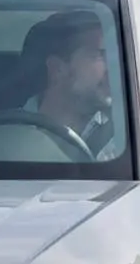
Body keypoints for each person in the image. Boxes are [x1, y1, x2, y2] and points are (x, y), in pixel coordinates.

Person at [20, 9, 119, 160]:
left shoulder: (131, 136)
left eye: (114, 55)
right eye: (99, 55)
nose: (113, 67)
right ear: (57, 69)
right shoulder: (7, 135)